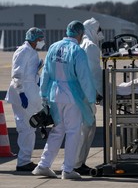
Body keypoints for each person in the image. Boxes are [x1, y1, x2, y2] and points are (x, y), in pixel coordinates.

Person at [32, 20, 96, 179]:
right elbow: (84, 78)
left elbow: (46, 73)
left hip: (54, 94)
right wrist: (91, 98)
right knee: (73, 131)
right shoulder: (77, 51)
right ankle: (68, 169)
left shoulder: (54, 47)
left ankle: (43, 164)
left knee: (57, 130)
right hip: (72, 97)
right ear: (80, 34)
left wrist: (44, 94)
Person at [5, 27, 45, 171]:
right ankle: (23, 162)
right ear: (34, 39)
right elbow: (17, 74)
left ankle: (25, 160)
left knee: (28, 128)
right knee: (26, 127)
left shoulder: (31, 51)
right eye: (40, 39)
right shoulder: (23, 51)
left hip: (28, 92)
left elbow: (28, 73)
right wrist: (21, 92)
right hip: (22, 93)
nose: (42, 41)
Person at [74, 17, 104, 175]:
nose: (100, 33)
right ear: (92, 30)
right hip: (86, 94)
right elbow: (95, 74)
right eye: (99, 30)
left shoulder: (80, 44)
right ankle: (77, 164)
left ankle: (78, 162)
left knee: (84, 128)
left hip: (79, 93)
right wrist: (103, 93)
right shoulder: (91, 47)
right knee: (86, 128)